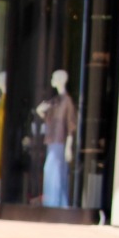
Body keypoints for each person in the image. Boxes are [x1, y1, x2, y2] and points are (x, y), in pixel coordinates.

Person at [36, 68, 76, 208]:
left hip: (60, 141)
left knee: (56, 173)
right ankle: (53, 202)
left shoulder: (67, 101)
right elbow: (49, 119)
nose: (52, 81)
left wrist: (69, 147)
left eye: (54, 78)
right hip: (52, 140)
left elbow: (70, 125)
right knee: (52, 172)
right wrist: (40, 111)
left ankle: (57, 203)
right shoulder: (56, 101)